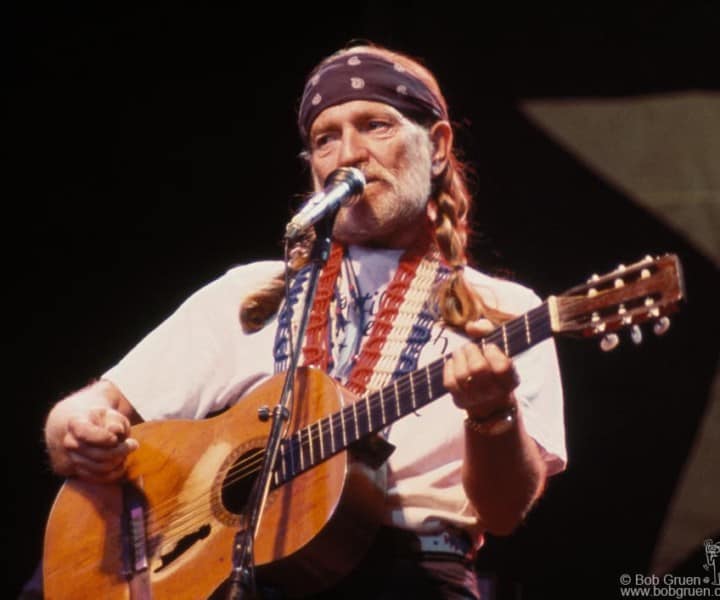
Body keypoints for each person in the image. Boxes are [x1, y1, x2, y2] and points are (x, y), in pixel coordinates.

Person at [42, 42, 566, 599]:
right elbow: (98, 405)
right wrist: (73, 428)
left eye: (375, 125)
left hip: (411, 576)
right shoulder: (250, 293)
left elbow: (504, 513)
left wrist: (491, 413)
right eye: (326, 138)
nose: (349, 153)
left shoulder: (504, 311)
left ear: (436, 147)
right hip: (239, 577)